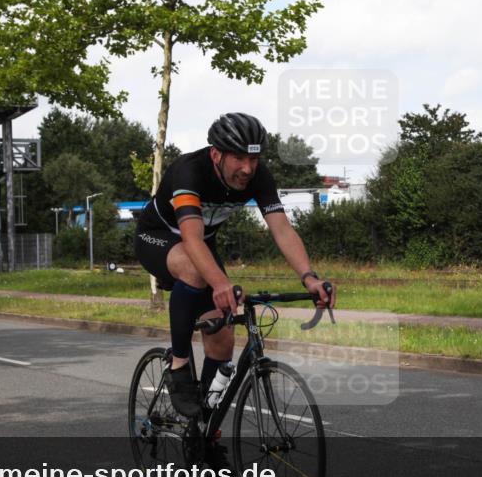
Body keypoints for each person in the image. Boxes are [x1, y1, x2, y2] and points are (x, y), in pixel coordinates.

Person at [135, 112, 336, 418]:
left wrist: (309, 277)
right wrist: (219, 283)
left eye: (253, 160)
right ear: (216, 154)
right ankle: (178, 365)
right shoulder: (191, 172)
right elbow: (190, 237)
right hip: (160, 238)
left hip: (202, 244)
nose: (247, 169)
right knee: (193, 269)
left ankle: (206, 428)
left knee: (223, 337)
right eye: (239, 159)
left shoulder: (258, 176)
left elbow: (281, 228)